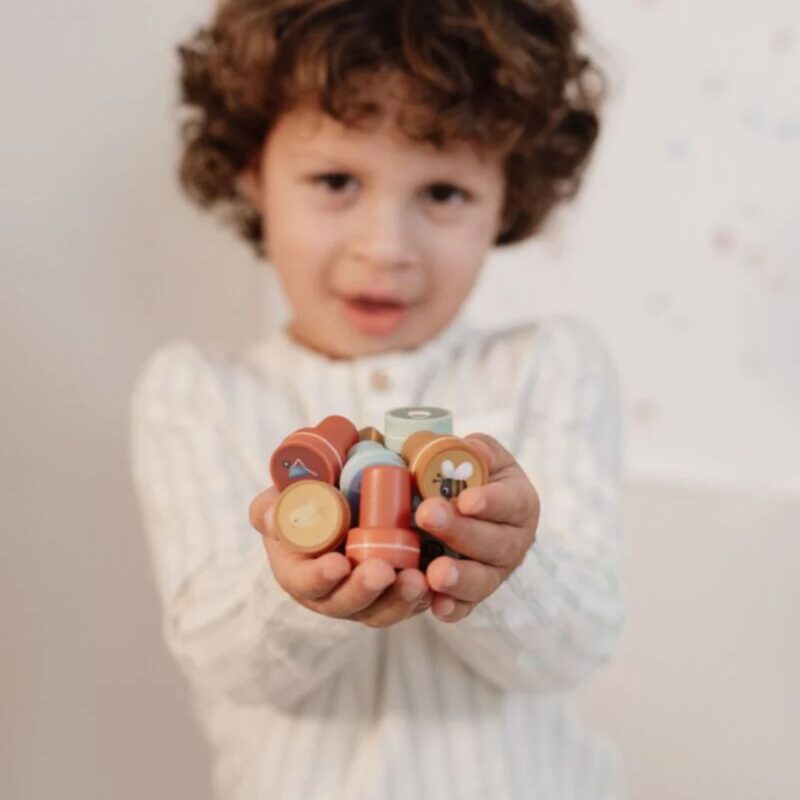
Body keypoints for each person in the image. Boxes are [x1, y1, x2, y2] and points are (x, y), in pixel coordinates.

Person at [130, 1, 626, 798]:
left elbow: (582, 643)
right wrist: (293, 592)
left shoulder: (548, 366)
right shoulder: (198, 393)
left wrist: (509, 570)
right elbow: (219, 658)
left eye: (444, 193)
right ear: (253, 171)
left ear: (510, 193)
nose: (386, 248)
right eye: (335, 180)